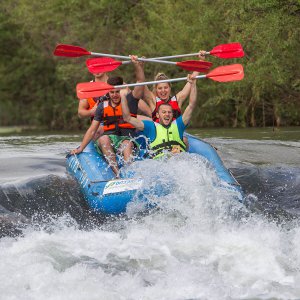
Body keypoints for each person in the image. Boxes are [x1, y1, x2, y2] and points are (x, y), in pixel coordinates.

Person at [71, 58, 145, 176]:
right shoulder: (102, 106)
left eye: (117, 92)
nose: (115, 95)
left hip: (126, 139)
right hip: (110, 139)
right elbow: (92, 130)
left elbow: (140, 81)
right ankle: (117, 174)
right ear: (108, 93)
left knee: (126, 144)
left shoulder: (130, 100)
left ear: (121, 90)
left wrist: (138, 66)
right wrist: (81, 148)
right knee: (103, 139)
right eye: (112, 92)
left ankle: (129, 173)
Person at [121, 74, 197, 158]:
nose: (167, 114)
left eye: (169, 112)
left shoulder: (178, 124)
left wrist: (193, 84)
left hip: (175, 147)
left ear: (172, 114)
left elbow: (191, 105)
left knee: (184, 141)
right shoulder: (151, 125)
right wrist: (123, 97)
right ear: (157, 114)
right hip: (157, 149)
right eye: (164, 112)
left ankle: (179, 153)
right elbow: (127, 118)